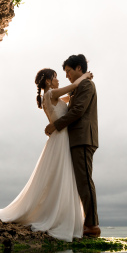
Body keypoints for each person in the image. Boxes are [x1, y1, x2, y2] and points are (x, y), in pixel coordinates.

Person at [0, 67, 93, 241]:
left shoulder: (47, 97)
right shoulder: (51, 94)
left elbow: (68, 97)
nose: (58, 80)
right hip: (61, 139)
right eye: (55, 77)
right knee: (60, 177)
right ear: (48, 81)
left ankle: (55, 214)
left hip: (58, 139)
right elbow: (72, 88)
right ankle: (56, 217)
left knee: (57, 178)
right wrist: (85, 76)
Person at [44, 54, 99, 238]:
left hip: (83, 138)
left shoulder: (85, 85)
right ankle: (86, 223)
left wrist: (55, 125)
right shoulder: (78, 88)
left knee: (84, 181)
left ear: (79, 69)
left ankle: (92, 225)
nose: (66, 75)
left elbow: (78, 111)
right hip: (76, 139)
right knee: (80, 181)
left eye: (68, 71)